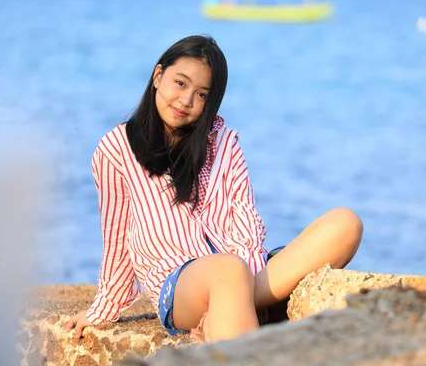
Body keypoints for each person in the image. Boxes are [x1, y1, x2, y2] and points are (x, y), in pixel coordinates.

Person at [65, 35, 363, 343]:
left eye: (201, 94)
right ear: (158, 76)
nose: (186, 100)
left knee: (345, 223)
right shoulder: (115, 149)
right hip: (180, 285)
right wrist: (103, 308)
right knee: (227, 270)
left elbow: (246, 222)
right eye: (180, 84)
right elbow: (116, 238)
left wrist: (243, 282)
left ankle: (230, 309)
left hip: (246, 270)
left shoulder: (224, 142)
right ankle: (244, 308)